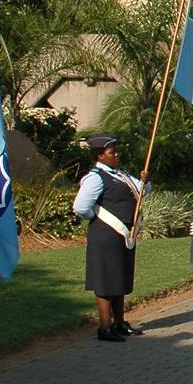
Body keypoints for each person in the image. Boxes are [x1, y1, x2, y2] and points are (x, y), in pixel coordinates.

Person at [72, 133, 146, 342]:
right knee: (105, 280)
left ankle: (119, 323)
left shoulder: (120, 174)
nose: (116, 154)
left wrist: (145, 180)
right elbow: (80, 208)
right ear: (100, 156)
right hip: (105, 235)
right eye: (112, 152)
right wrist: (96, 217)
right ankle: (105, 327)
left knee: (119, 277)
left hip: (122, 235)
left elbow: (142, 191)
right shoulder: (95, 178)